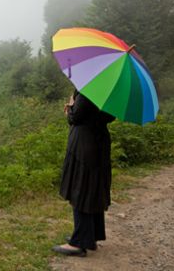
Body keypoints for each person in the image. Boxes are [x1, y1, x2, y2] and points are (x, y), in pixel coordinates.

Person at [52, 89, 115, 257]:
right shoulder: (109, 90)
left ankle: (79, 243)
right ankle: (90, 236)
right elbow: (109, 116)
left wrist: (71, 106)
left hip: (84, 145)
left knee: (80, 189)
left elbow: (75, 117)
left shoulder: (89, 89)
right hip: (99, 141)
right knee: (92, 188)